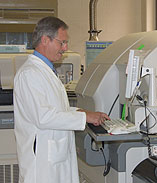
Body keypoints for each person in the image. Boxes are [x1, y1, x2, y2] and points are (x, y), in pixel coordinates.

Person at [13, 16, 110, 183]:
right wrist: (84, 117)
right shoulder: (30, 74)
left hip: (54, 156)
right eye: (62, 42)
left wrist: (85, 113)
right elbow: (43, 117)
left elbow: (56, 109)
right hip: (43, 163)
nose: (65, 48)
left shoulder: (46, 71)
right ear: (45, 40)